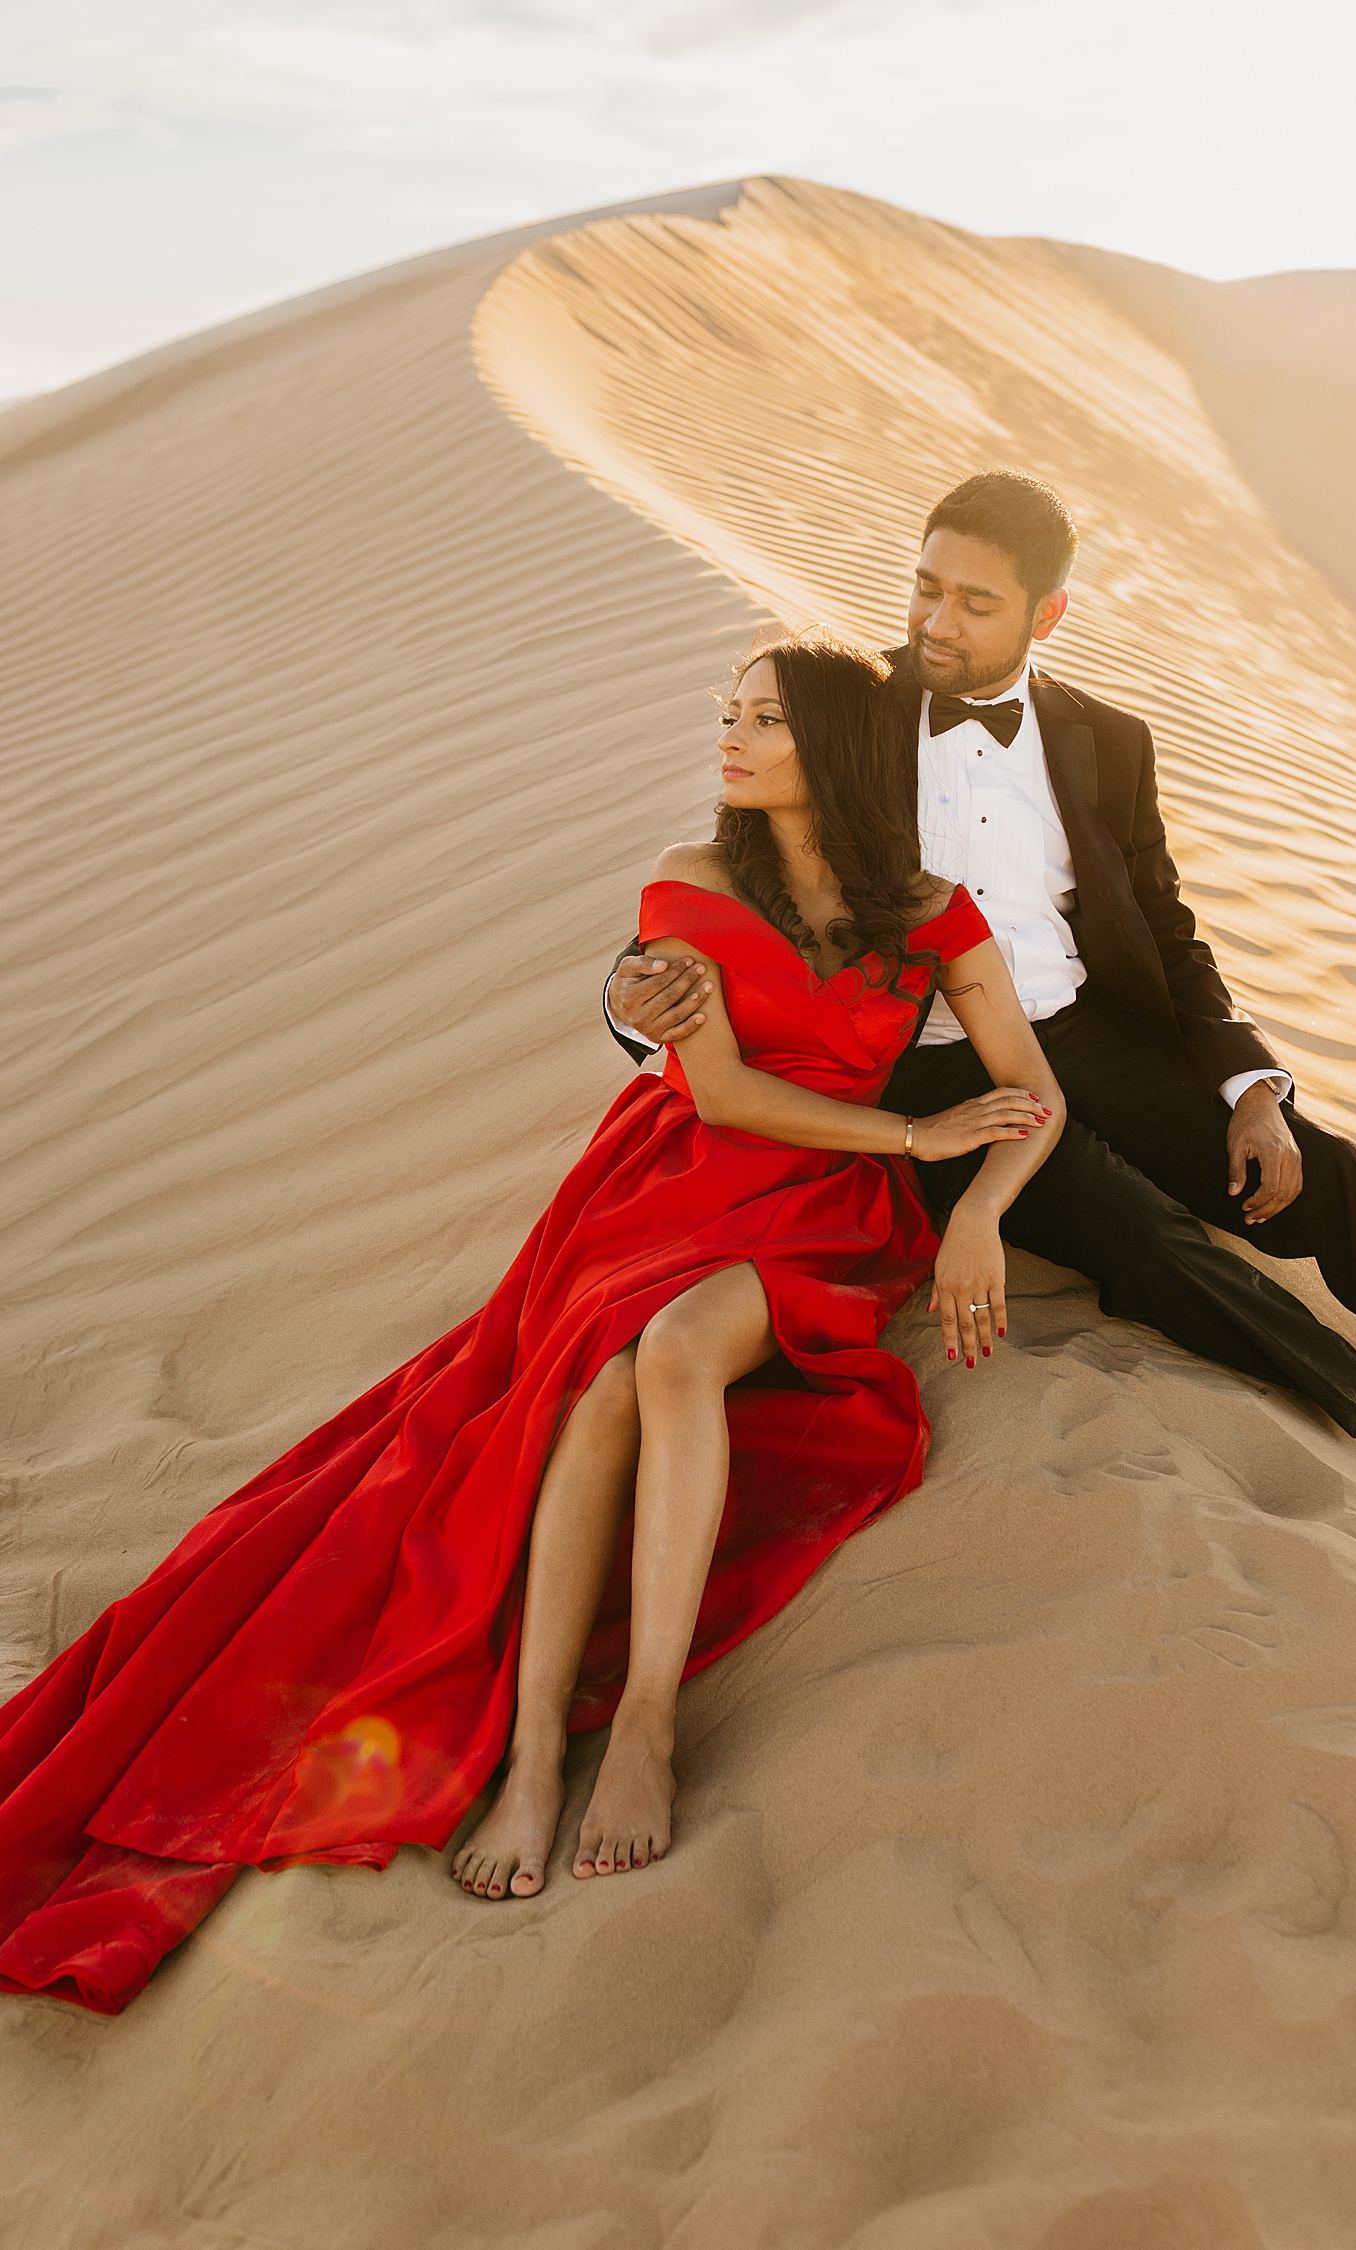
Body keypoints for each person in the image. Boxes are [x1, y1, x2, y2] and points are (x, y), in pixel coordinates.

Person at [0, 635, 1067, 2016]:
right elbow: (726, 1094)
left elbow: (1029, 1091)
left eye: (763, 719)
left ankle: (645, 1726)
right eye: (725, 713)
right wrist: (920, 1128)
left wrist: (978, 1206)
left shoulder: (933, 913)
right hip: (669, 1182)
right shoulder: (688, 881)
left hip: (830, 1212)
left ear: (839, 749)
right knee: (609, 1382)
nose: (730, 737)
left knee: (677, 1353)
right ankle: (531, 1760)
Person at [607, 473, 1356, 1530]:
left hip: (1087, 1030)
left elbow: (1164, 928)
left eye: (974, 604)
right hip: (930, 1059)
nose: (936, 622)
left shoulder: (1108, 741)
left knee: (1334, 1175)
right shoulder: (846, 711)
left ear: (1049, 614)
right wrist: (630, 995)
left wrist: (1252, 1084)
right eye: (925, 587)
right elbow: (727, 871)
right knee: (1143, 1239)